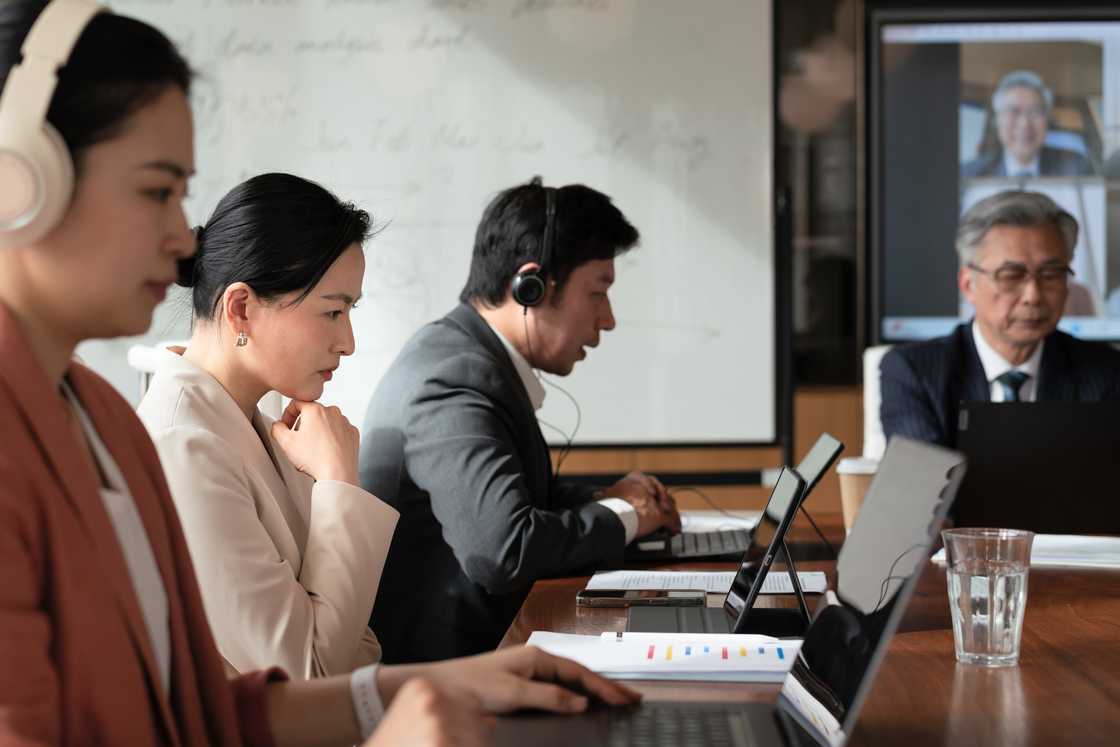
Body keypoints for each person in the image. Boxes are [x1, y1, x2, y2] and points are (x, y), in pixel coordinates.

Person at [0, 2, 638, 744]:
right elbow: (300, 663)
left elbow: (203, 713)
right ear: (23, 181)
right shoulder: (144, 438)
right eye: (156, 190)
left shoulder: (105, 419)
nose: (181, 239)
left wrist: (449, 680)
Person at [360, 178, 682, 663]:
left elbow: (519, 499)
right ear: (531, 286)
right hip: (443, 678)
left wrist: (609, 497)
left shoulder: (467, 358)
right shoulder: (453, 380)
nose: (608, 318)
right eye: (598, 292)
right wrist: (631, 515)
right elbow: (504, 550)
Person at [137, 173, 399, 679]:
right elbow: (310, 670)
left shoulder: (259, 422)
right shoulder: (183, 446)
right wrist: (339, 482)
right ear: (241, 309)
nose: (348, 342)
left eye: (350, 311)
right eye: (332, 312)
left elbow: (353, 643)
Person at [880, 190, 1120, 448]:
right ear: (968, 284)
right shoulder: (914, 373)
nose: (1033, 296)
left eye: (1050, 274)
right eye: (1011, 275)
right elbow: (923, 483)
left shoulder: (1106, 374)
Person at [961, 70, 1094, 178]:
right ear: (997, 120)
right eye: (1014, 111)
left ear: (1047, 120)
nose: (1024, 124)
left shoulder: (1077, 168)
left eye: (1035, 112)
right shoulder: (969, 175)